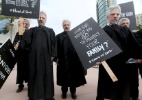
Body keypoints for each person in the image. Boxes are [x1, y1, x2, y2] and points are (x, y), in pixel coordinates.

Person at [96, 5, 142, 100]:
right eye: (113, 14)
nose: (115, 16)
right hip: (110, 65)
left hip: (124, 65)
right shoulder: (102, 31)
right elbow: (97, 49)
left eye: (117, 14)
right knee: (111, 90)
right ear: (107, 17)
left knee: (123, 90)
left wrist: (139, 58)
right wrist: (97, 59)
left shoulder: (125, 30)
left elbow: (133, 45)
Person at [17, 11, 56, 100]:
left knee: (47, 76)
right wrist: (20, 27)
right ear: (37, 20)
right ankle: (32, 96)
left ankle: (49, 96)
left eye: (43, 18)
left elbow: (54, 44)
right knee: (33, 75)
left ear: (46, 20)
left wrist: (53, 55)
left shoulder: (50, 31)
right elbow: (24, 41)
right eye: (39, 18)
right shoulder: (32, 30)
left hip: (47, 57)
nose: (41, 19)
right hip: (34, 58)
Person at [56, 20, 87, 99]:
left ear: (70, 26)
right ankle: (64, 92)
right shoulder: (58, 37)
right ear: (63, 26)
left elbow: (81, 47)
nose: (66, 26)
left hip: (74, 62)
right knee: (64, 79)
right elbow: (55, 49)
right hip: (62, 62)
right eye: (65, 25)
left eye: (68, 25)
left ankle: (73, 92)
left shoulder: (75, 36)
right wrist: (56, 59)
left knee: (73, 79)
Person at [13, 18, 30, 93]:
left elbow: (30, 43)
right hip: (20, 55)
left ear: (28, 25)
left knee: (29, 70)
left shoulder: (30, 33)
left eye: (26, 24)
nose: (25, 25)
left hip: (28, 55)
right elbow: (15, 42)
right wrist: (16, 45)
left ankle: (30, 84)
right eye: (24, 23)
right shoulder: (18, 33)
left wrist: (21, 44)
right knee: (20, 71)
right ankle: (20, 85)